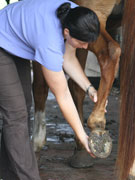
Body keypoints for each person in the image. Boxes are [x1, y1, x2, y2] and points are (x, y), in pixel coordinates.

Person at [0, 0, 100, 179]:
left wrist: (89, 88)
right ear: (67, 32)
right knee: (16, 115)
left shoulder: (77, 16)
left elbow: (69, 59)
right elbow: (63, 95)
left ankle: (8, 174)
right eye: (82, 43)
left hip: (14, 40)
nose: (85, 47)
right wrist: (82, 135)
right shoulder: (49, 42)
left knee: (24, 106)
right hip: (2, 41)